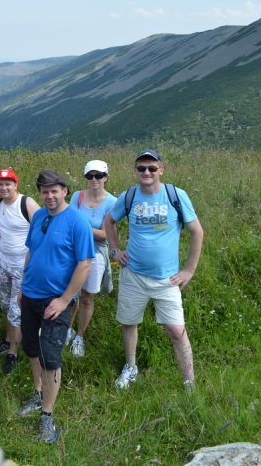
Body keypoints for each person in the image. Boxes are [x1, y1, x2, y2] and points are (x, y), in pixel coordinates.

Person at [104, 149, 203, 391]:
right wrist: (114, 251)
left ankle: (189, 382)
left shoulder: (175, 195)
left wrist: (189, 270)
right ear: (135, 171)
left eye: (152, 168)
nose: (147, 172)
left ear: (161, 170)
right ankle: (131, 367)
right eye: (141, 168)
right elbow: (109, 221)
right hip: (133, 274)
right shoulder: (129, 196)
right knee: (129, 323)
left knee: (177, 330)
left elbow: (197, 232)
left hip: (167, 279)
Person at [16, 170, 94, 445]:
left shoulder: (77, 221)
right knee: (30, 347)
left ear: (65, 191)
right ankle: (38, 394)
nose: (49, 196)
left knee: (50, 356)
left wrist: (64, 299)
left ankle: (47, 416)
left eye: (54, 191)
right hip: (30, 294)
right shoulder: (39, 216)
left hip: (56, 300)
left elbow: (85, 263)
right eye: (44, 191)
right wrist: (22, 286)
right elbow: (32, 251)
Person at [67, 160, 118, 357]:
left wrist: (81, 228)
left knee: (87, 296)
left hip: (95, 253)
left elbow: (105, 234)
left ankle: (79, 336)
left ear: (106, 177)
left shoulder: (112, 202)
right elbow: (69, 221)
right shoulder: (77, 196)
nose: (94, 179)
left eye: (99, 175)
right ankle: (67, 329)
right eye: (90, 175)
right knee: (70, 293)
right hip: (73, 251)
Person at [0, 168, 39, 375]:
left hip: (23, 267)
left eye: (7, 184)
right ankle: (9, 338)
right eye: (0, 184)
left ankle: (13, 354)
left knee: (15, 311)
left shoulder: (26, 203)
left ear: (15, 185)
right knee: (5, 305)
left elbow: (43, 227)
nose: (4, 187)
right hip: (4, 264)